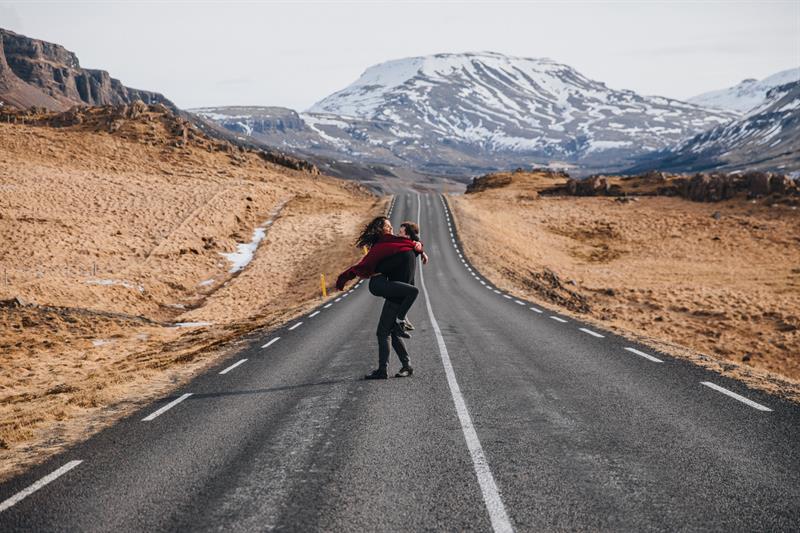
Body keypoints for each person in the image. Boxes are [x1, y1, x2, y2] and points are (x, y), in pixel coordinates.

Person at [335, 217, 428, 380]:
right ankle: (405, 365)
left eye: (394, 227)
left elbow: (374, 262)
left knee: (383, 332)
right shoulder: (397, 245)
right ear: (380, 229)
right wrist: (419, 249)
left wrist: (347, 276)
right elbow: (408, 246)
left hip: (398, 294)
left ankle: (383, 370)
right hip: (397, 292)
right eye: (388, 226)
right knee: (390, 332)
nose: (392, 229)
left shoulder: (400, 245)